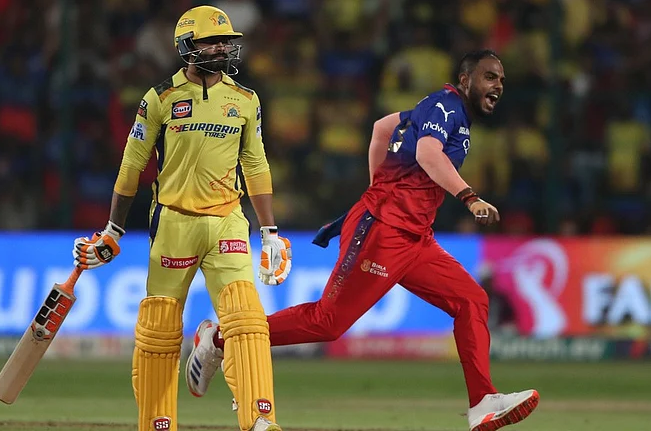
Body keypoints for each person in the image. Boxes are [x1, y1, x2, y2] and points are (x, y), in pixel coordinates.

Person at [185, 50, 540, 431]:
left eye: (501, 79)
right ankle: (220, 338)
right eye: (489, 77)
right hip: (384, 232)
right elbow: (426, 152)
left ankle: (482, 402)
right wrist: (467, 197)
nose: (497, 85)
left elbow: (382, 128)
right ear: (466, 80)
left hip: (414, 237)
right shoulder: (447, 105)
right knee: (328, 322)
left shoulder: (443, 112)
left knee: (471, 300)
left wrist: (379, 187)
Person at [71, 5, 291, 431]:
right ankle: (157, 422)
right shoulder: (160, 99)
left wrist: (270, 231)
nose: (224, 48)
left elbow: (257, 163)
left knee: (247, 320)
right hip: (173, 222)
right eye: (213, 41)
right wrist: (114, 229)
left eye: (227, 41)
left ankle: (260, 420)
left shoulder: (245, 100)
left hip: (228, 219)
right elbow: (132, 166)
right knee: (159, 331)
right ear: (187, 47)